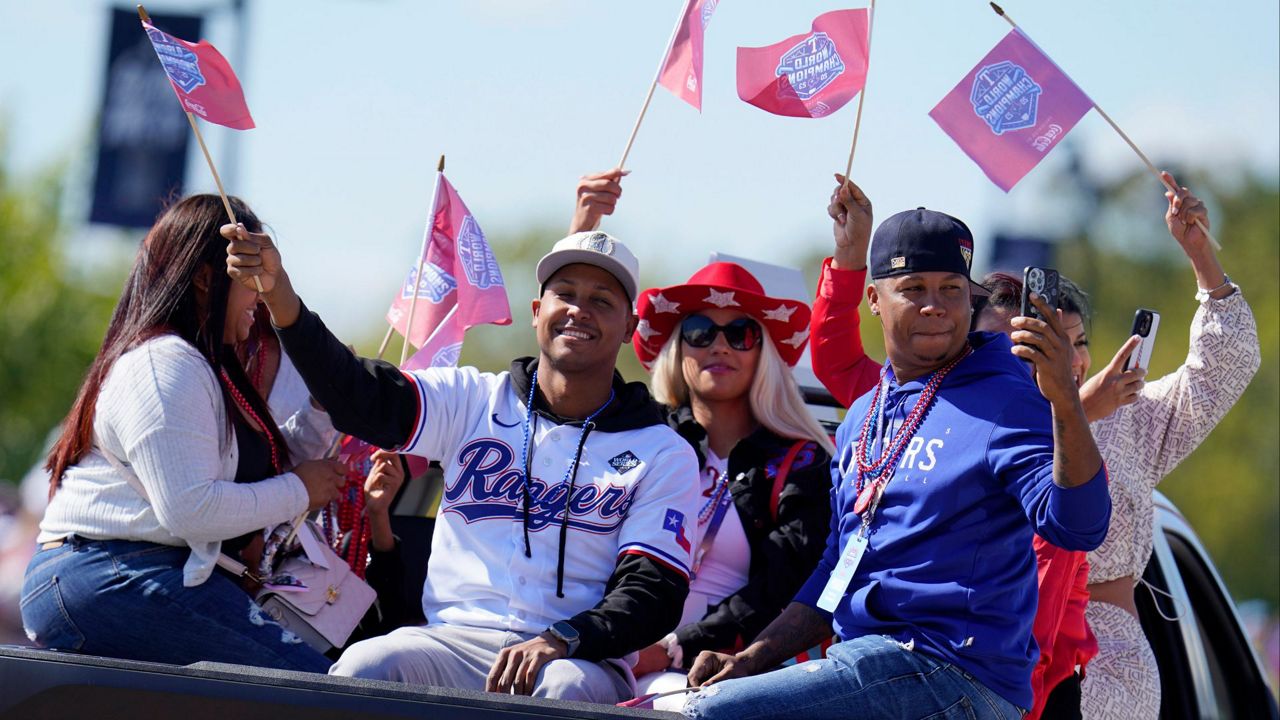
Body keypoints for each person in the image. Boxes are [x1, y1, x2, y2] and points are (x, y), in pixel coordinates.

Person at [226, 226, 701, 704]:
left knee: (564, 690)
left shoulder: (662, 451)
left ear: (628, 326)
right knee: (366, 665)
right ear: (538, 313)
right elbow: (362, 397)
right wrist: (281, 296)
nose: (579, 309)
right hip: (452, 642)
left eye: (602, 300)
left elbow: (652, 593)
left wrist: (563, 639)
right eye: (565, 294)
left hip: (578, 657)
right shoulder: (473, 398)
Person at [680, 205, 1113, 719]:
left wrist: (1064, 399)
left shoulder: (1009, 396)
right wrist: (754, 657)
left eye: (951, 289)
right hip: (871, 663)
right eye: (913, 289)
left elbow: (1079, 526)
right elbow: (838, 569)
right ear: (874, 300)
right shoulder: (865, 413)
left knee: (714, 716)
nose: (935, 306)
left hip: (957, 674)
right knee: (693, 702)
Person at [975, 175, 1260, 719]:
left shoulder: (1126, 420)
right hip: (993, 671)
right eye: (1043, 345)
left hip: (1108, 671)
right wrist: (1080, 409)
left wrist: (1201, 255)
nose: (1071, 359)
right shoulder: (962, 433)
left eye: (1077, 342)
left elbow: (1225, 367)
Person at [21, 195, 347, 672]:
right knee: (312, 689)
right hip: (106, 573)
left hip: (124, 572)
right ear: (204, 278)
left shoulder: (200, 365)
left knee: (315, 687)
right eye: (250, 277)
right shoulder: (165, 365)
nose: (260, 295)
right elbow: (192, 509)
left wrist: (323, 407)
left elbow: (264, 464)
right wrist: (300, 490)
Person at [625, 261, 836, 710]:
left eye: (740, 332)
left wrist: (673, 647)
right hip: (618, 644)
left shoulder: (802, 463)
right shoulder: (638, 439)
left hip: (721, 672)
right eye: (700, 331)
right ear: (678, 349)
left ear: (763, 354)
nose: (719, 345)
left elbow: (781, 591)